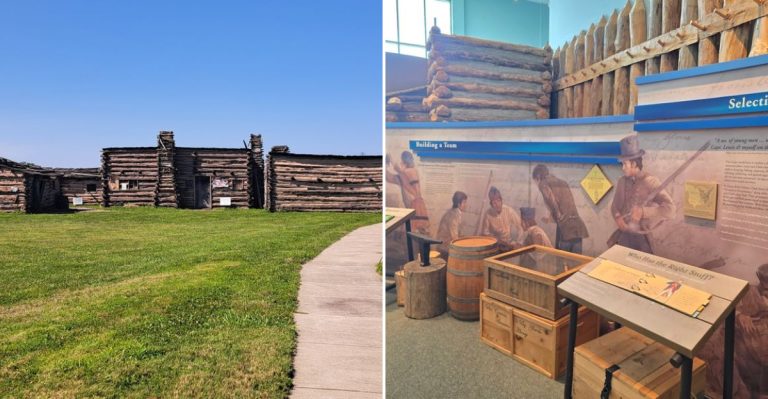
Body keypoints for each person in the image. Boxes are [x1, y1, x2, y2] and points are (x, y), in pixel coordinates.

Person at [609, 135, 674, 254]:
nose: (623, 168)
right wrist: (618, 217)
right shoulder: (622, 181)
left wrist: (644, 212)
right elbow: (615, 206)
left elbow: (671, 210)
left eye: (625, 164)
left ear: (634, 164)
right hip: (623, 238)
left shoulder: (651, 182)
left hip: (642, 241)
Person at [532, 164, 589, 253]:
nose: (536, 184)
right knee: (577, 263)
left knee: (562, 262)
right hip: (578, 228)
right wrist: (550, 219)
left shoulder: (543, 183)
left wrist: (558, 215)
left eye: (535, 180)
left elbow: (552, 201)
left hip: (565, 231)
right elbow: (566, 206)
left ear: (538, 177)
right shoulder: (562, 182)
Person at [388, 150, 430, 233]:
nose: (400, 163)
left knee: (417, 231)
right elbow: (391, 178)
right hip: (414, 205)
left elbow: (399, 173)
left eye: (401, 161)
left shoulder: (410, 171)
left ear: (404, 162)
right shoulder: (405, 175)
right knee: (416, 232)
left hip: (416, 205)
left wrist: (392, 162)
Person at [479, 186, 522, 251]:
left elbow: (520, 226)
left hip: (509, 243)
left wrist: (519, 242)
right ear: (491, 204)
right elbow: (484, 233)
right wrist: (496, 240)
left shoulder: (509, 211)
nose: (497, 204)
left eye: (498, 201)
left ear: (501, 201)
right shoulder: (488, 214)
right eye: (494, 202)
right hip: (494, 244)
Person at [436, 191, 467, 258]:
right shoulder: (454, 215)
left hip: (444, 246)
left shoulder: (453, 212)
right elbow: (454, 237)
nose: (466, 205)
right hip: (445, 248)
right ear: (459, 204)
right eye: (464, 202)